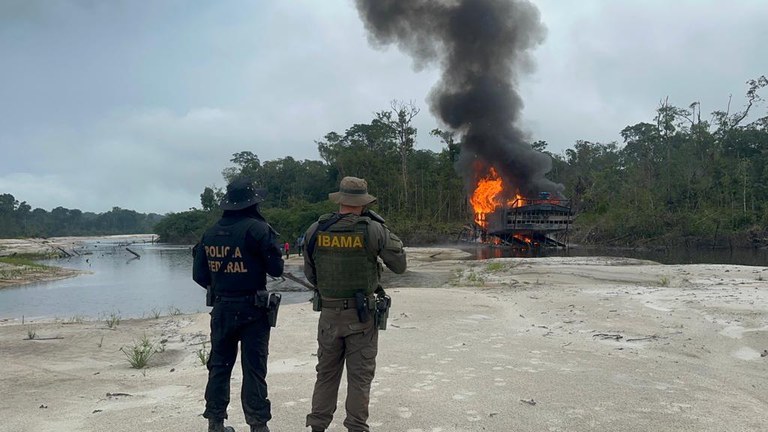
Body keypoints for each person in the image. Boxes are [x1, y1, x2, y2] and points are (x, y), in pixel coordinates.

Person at [303, 176, 407, 432]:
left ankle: (317, 426)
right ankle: (356, 427)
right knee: (359, 378)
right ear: (362, 202)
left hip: (328, 315)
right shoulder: (372, 229)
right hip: (361, 318)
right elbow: (400, 265)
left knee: (325, 375)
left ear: (340, 200)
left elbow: (310, 273)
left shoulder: (316, 229)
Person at [193, 177, 284, 432]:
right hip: (253, 310)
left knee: (219, 367)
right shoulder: (258, 229)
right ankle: (258, 425)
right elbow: (276, 269)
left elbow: (198, 275)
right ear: (253, 203)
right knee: (254, 368)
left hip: (221, 308)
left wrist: (223, 287)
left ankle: (215, 422)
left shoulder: (210, 233)